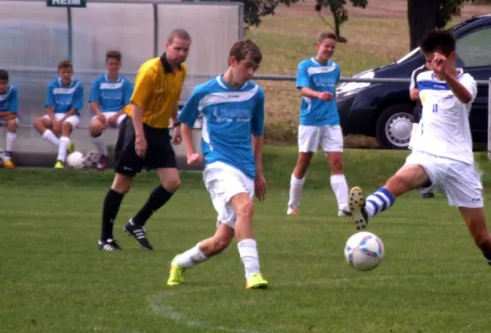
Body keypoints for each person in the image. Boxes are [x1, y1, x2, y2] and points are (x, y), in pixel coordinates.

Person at [349, 29, 491, 294]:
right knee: (399, 181)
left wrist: (446, 76)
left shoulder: (467, 81)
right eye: (428, 59)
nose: (431, 65)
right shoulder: (422, 76)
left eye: (437, 59)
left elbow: (466, 98)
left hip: (459, 164)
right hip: (427, 155)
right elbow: (419, 97)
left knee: (482, 239)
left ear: (451, 56)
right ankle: (366, 211)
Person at [167, 39, 268, 290]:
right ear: (232, 61)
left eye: (254, 68)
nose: (251, 73)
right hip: (218, 166)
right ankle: (253, 274)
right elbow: (186, 122)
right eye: (247, 66)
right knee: (245, 207)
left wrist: (258, 172)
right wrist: (190, 152)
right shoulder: (205, 91)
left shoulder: (255, 94)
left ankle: (179, 262)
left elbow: (258, 133)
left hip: (245, 169)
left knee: (221, 241)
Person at [98, 29, 190, 251]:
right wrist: (139, 138)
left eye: (185, 50)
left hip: (159, 132)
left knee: (172, 182)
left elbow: (172, 99)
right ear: (167, 45)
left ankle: (136, 222)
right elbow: (137, 105)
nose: (181, 53)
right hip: (137, 127)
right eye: (177, 48)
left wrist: (176, 123)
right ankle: (105, 239)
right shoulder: (150, 70)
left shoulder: (181, 70)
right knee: (122, 184)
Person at [287, 31, 350, 217]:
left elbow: (332, 89)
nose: (329, 50)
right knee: (303, 163)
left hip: (331, 121)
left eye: (332, 47)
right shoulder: (305, 66)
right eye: (326, 46)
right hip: (310, 121)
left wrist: (326, 97)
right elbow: (304, 89)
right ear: (318, 46)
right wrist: (318, 95)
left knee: (337, 163)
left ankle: (343, 207)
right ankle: (293, 206)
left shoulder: (335, 68)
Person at [33, 60, 82, 169]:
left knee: (65, 125)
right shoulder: (52, 85)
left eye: (68, 72)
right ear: (58, 73)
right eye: (63, 72)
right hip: (56, 114)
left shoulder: (78, 85)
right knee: (37, 122)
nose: (66, 75)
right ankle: (65, 146)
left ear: (72, 73)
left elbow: (75, 108)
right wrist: (55, 121)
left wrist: (60, 122)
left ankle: (60, 161)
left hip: (71, 115)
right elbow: (49, 107)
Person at [88, 50, 133, 171]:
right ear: (107, 65)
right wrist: (99, 113)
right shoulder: (98, 82)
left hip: (120, 113)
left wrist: (116, 116)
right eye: (111, 64)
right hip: (103, 113)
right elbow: (93, 102)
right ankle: (104, 155)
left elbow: (129, 105)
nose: (113, 67)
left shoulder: (126, 83)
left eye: (116, 64)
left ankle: (122, 159)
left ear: (120, 65)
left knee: (128, 125)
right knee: (94, 127)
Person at [408, 63, 435, 198]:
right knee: (417, 153)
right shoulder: (419, 72)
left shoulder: (446, 71)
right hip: (420, 118)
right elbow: (413, 94)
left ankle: (431, 185)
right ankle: (423, 186)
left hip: (438, 121)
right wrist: (434, 91)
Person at [0, 69, 19, 168]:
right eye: (0, 83)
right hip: (7, 116)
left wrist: (3, 115)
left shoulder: (12, 90)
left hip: (10, 118)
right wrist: (6, 113)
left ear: (8, 82)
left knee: (12, 123)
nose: (2, 86)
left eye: (4, 83)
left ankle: (7, 157)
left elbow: (14, 113)